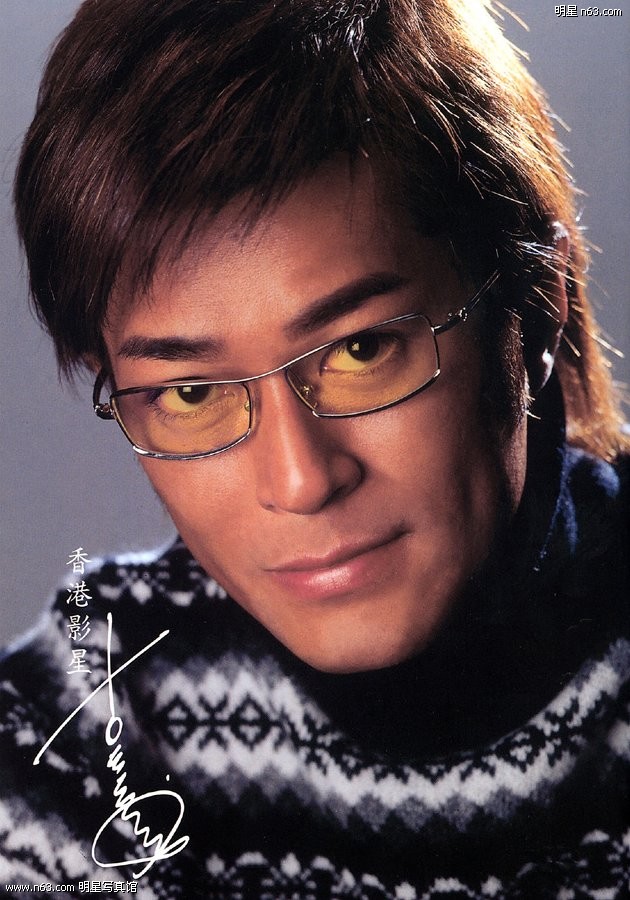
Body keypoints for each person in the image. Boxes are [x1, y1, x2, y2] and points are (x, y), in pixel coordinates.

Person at [1, 0, 628, 896]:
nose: (300, 481)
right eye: (191, 393)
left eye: (360, 350)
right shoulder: (85, 712)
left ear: (538, 303)